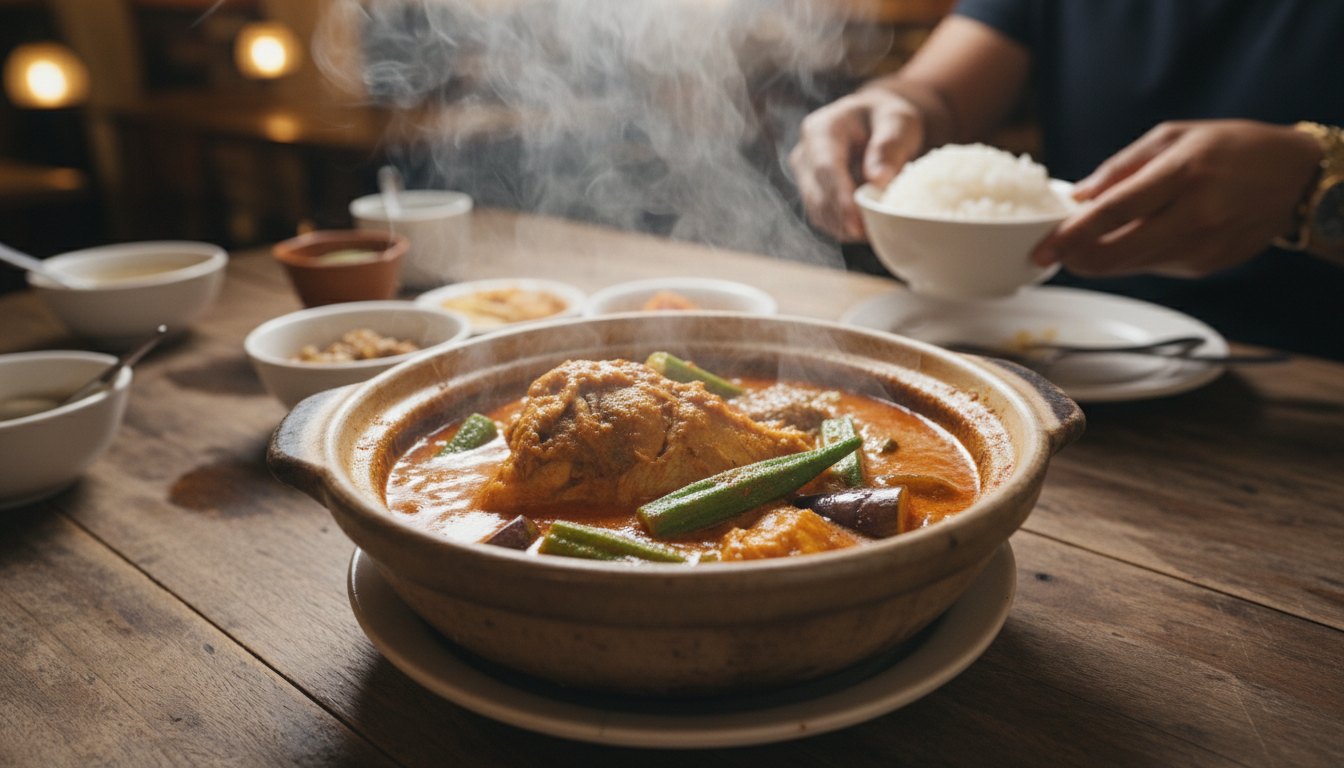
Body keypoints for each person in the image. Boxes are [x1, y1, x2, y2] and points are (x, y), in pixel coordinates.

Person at [790, 0, 1344, 360]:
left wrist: (1318, 187)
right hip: (1054, 355)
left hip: (1307, 380)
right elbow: (935, 95)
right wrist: (878, 108)